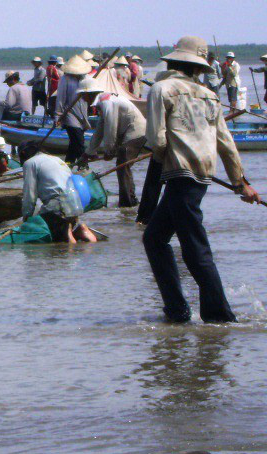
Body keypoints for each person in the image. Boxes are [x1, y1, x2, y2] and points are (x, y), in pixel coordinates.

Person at [143, 36, 261, 324]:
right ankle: (177, 310)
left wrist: (163, 153)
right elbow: (226, 143)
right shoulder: (209, 95)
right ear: (198, 68)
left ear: (171, 62)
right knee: (154, 239)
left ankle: (219, 315)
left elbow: (156, 139)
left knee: (194, 247)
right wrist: (240, 182)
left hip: (180, 174)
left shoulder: (161, 88)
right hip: (200, 178)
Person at [80, 82, 147, 207]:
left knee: (122, 164)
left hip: (136, 131)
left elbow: (111, 127)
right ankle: (130, 199)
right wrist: (89, 152)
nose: (82, 99)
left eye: (82, 95)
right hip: (127, 131)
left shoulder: (107, 102)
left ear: (88, 94)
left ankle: (127, 203)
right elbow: (100, 130)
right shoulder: (103, 101)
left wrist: (109, 151)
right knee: (122, 165)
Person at [18, 141, 97, 244]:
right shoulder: (56, 159)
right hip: (75, 203)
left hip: (58, 205)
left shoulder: (30, 163)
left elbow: (30, 194)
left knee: (57, 237)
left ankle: (66, 233)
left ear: (23, 154)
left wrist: (27, 217)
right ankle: (79, 229)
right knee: (65, 224)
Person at [54, 55, 92, 164]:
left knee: (74, 144)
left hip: (82, 114)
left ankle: (67, 165)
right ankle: (84, 166)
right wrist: (58, 116)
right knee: (79, 142)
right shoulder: (65, 79)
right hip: (69, 114)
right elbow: (60, 98)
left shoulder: (86, 79)